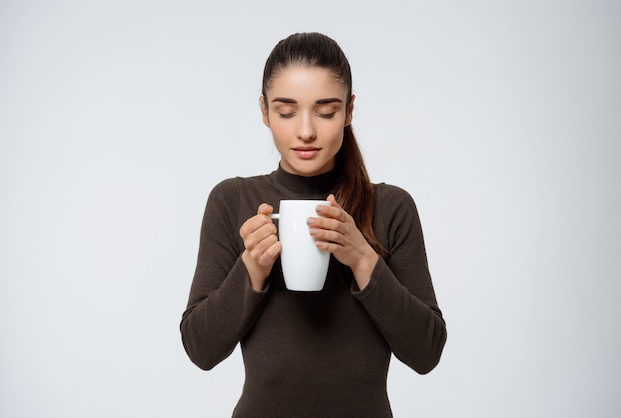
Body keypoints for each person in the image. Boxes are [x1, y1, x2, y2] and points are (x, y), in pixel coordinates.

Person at [180, 32, 447, 417]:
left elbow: (427, 352)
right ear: (264, 111)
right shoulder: (232, 201)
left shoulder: (391, 207)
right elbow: (200, 349)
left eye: (326, 111)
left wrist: (363, 260)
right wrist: (252, 268)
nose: (306, 131)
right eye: (286, 111)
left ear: (350, 110)